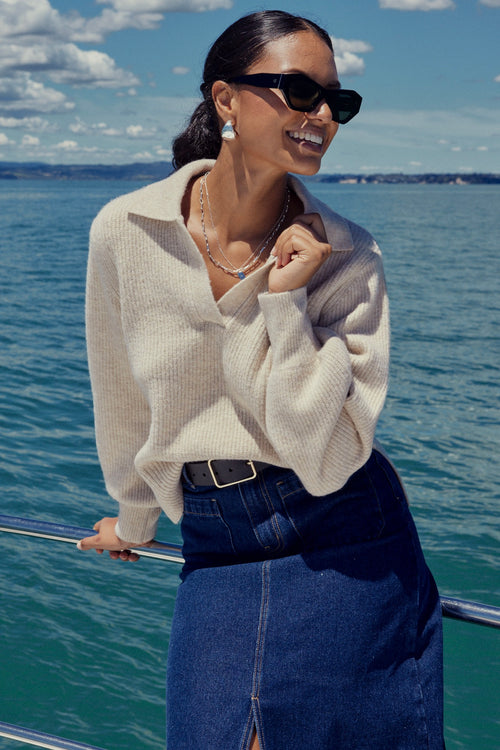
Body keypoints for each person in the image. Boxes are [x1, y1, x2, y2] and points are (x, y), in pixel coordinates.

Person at [78, 10, 444, 749]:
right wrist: (135, 518)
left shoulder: (346, 258)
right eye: (298, 91)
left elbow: (324, 453)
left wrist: (283, 302)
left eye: (335, 102)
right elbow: (120, 395)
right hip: (214, 545)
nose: (321, 116)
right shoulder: (127, 230)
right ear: (225, 100)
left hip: (342, 534)